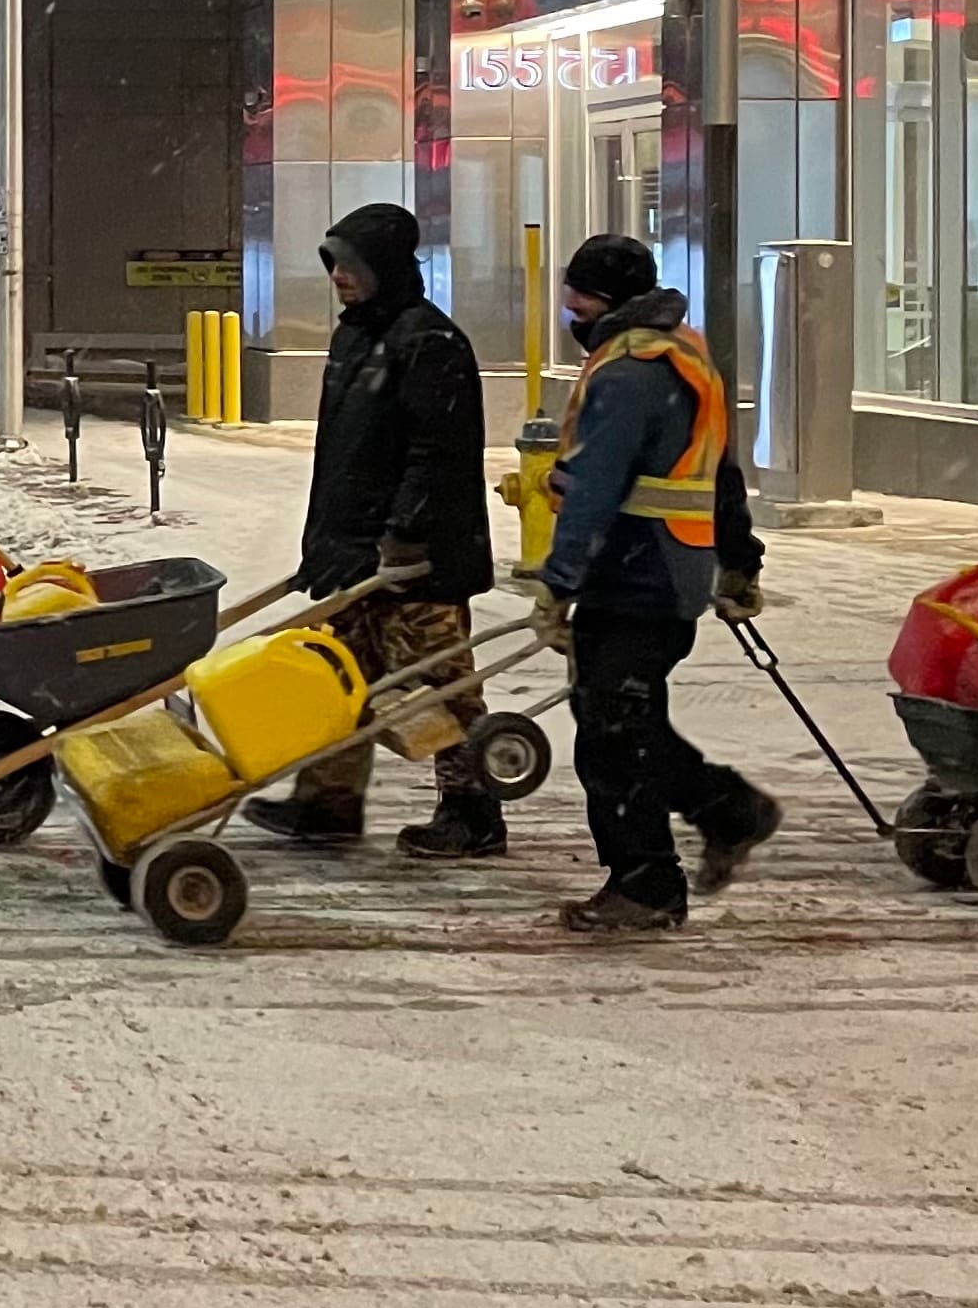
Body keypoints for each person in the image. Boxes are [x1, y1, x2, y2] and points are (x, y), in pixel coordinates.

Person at [532, 233, 783, 934]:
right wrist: (737, 561)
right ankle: (720, 814)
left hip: (633, 573)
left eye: (576, 296)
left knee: (615, 734)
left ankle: (651, 878)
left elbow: (594, 488)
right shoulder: (685, 356)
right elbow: (721, 473)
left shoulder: (629, 372)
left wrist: (559, 582)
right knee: (621, 721)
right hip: (672, 571)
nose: (568, 308)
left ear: (605, 301)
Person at [246, 202, 508, 860]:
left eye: (353, 265)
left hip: (419, 557)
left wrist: (403, 534)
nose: (339, 276)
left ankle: (473, 809)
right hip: (358, 550)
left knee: (438, 681)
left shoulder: (429, 343)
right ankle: (327, 802)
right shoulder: (358, 338)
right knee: (344, 676)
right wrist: (326, 545)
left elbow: (435, 455)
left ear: (386, 268)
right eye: (333, 263)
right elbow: (344, 455)